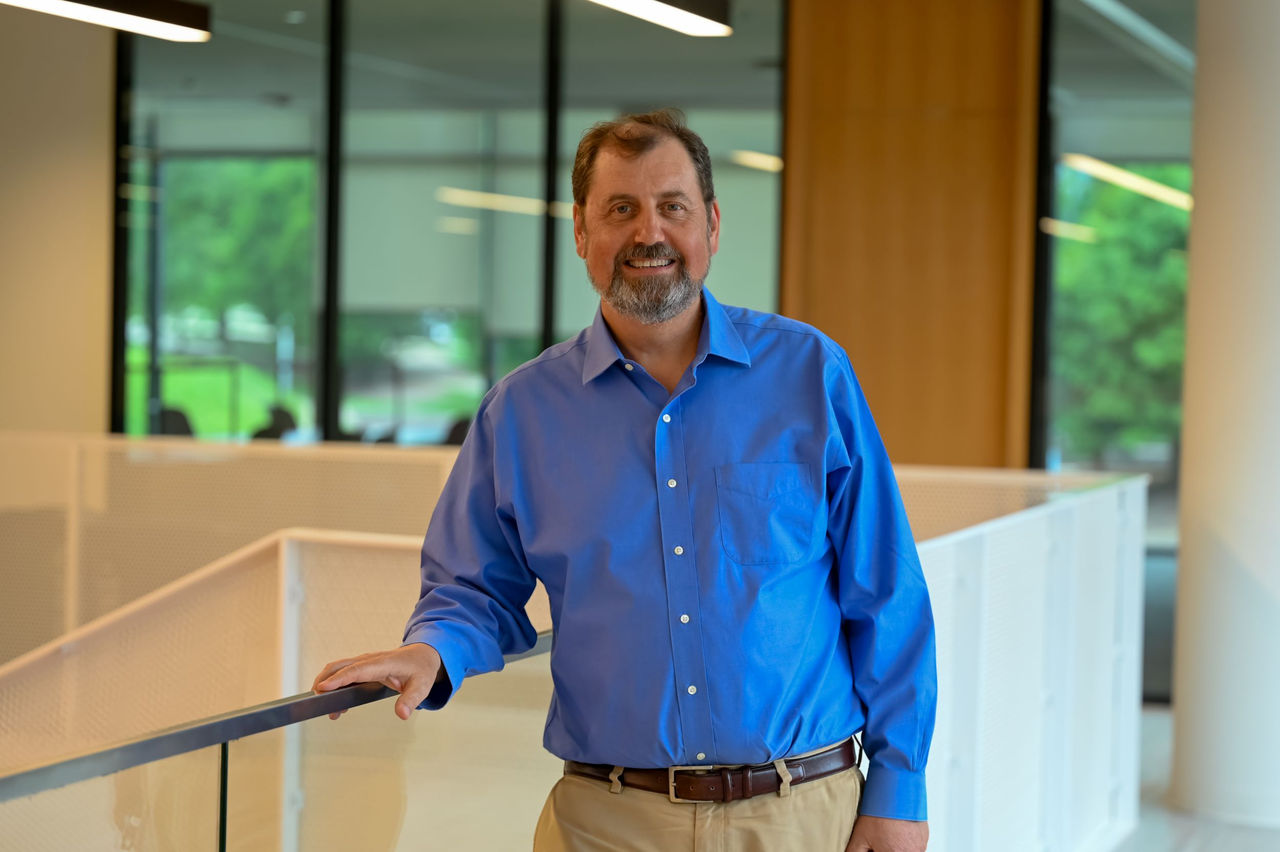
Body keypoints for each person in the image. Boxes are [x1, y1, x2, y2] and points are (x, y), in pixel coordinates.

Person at [314, 109, 936, 852]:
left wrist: (899, 789)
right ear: (581, 233)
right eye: (620, 210)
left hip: (801, 812)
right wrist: (433, 651)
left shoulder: (809, 374)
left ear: (710, 224)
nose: (649, 233)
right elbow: (473, 588)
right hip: (607, 822)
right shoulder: (522, 412)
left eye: (672, 207)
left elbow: (886, 593)